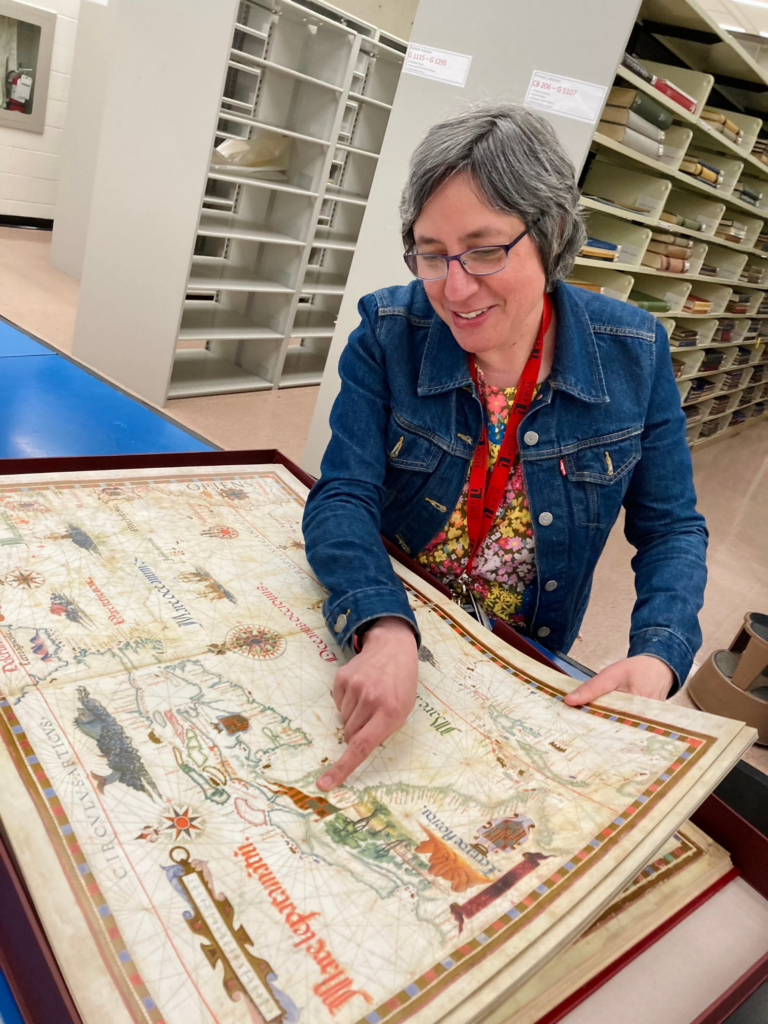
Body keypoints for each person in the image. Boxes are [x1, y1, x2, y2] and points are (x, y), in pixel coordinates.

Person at [303, 103, 707, 792]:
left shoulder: (635, 356)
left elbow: (671, 528)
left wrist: (659, 656)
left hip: (521, 654)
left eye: (486, 250)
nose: (454, 289)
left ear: (549, 236)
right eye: (432, 254)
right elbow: (342, 494)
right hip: (394, 613)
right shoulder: (388, 332)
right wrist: (383, 625)